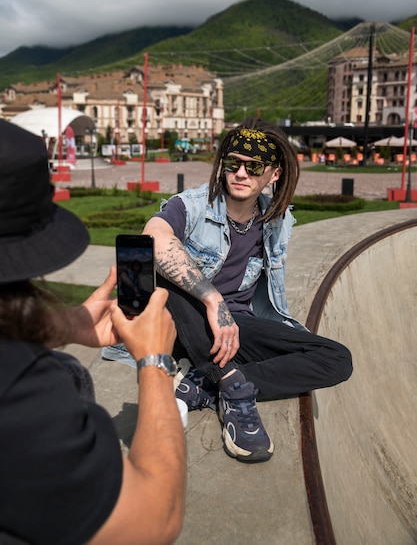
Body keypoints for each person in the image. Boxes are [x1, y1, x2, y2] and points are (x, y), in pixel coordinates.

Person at [0, 119, 186, 545]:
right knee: (66, 375)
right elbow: (157, 518)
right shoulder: (22, 393)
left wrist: (66, 323)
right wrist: (155, 363)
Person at [143, 117, 353, 463]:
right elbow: (153, 239)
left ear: (274, 174)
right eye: (233, 163)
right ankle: (234, 389)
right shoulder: (192, 206)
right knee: (167, 277)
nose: (241, 173)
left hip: (236, 329)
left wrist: (231, 316)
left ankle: (215, 383)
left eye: (254, 166)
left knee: (338, 359)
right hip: (187, 325)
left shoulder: (276, 219)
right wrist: (212, 299)